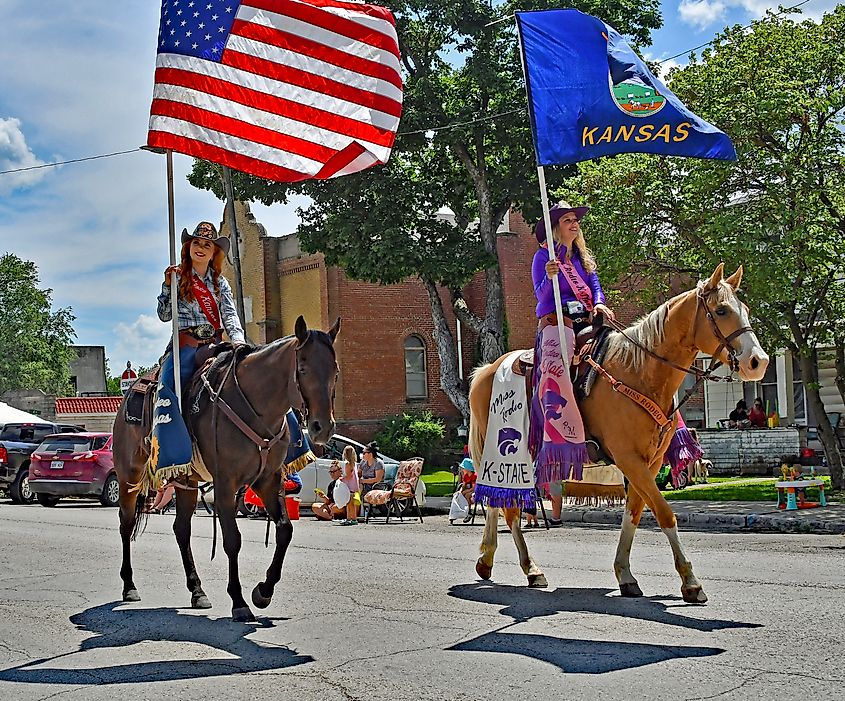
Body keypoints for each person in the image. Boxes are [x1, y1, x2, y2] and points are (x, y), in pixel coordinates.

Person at [529, 202, 615, 526]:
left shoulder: (581, 259)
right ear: (556, 228)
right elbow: (540, 298)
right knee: (559, 353)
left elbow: (595, 288)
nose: (574, 224)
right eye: (568, 220)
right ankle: (559, 425)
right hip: (557, 321)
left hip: (586, 320)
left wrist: (601, 304)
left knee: (619, 349)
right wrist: (548, 278)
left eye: (575, 220)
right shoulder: (543, 259)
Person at [150, 222, 245, 485]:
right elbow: (164, 316)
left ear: (214, 251)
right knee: (167, 385)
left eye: (207, 244)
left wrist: (238, 341)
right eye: (196, 243)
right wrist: (166, 287)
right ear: (188, 247)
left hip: (215, 343)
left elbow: (229, 314)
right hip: (186, 345)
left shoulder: (220, 283)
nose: (201, 248)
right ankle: (169, 455)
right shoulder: (178, 277)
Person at [337, 445, 362, 525]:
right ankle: (352, 518)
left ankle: (350, 518)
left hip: (349, 486)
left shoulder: (347, 464)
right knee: (352, 504)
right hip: (354, 485)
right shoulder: (354, 464)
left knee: (349, 503)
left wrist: (341, 479)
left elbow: (348, 476)